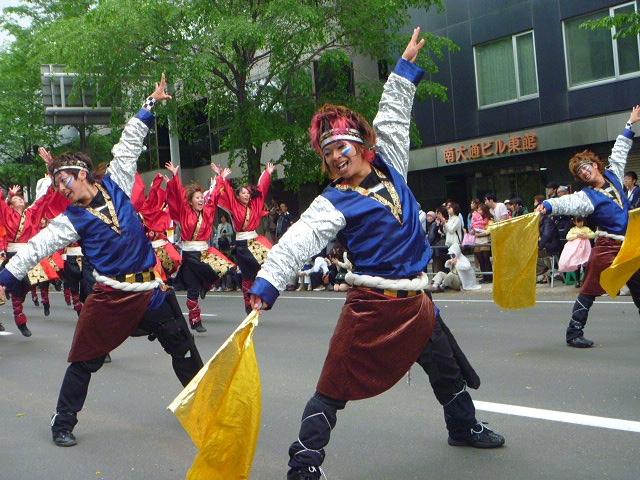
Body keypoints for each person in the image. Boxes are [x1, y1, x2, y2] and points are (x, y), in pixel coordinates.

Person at [247, 29, 504, 480]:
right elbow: (298, 240)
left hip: (417, 302)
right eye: (327, 152)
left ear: (361, 146)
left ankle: (463, 426)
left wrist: (403, 69)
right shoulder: (333, 201)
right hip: (371, 308)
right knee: (334, 387)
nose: (335, 157)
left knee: (445, 368)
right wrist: (267, 284)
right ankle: (303, 463)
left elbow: (394, 116)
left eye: (341, 147)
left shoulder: (391, 166)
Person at [0, 75, 204, 446]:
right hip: (110, 297)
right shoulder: (70, 220)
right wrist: (6, 278)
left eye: (64, 182)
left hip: (151, 290)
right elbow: (35, 247)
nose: (62, 190)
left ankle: (203, 406)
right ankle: (62, 423)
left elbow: (128, 145)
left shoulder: (117, 184)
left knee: (183, 347)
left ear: (82, 174)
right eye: (56, 186)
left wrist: (149, 104)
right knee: (84, 360)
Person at [536, 105, 640, 348]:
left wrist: (630, 123)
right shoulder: (586, 196)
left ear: (595, 165)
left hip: (629, 245)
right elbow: (567, 202)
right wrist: (548, 205)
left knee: (638, 283)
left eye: (586, 166)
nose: (584, 172)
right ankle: (573, 332)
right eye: (580, 171)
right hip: (607, 247)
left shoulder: (614, 174)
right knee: (591, 287)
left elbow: (620, 150)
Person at [165, 161, 235, 332]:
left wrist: (220, 177)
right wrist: (175, 176)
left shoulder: (208, 211)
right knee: (192, 290)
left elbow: (214, 195)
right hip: (189, 255)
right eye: (197, 198)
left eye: (201, 197)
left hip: (204, 253)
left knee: (226, 268)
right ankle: (196, 321)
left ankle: (206, 285)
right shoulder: (184, 211)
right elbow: (178, 195)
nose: (201, 200)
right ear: (190, 201)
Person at [214, 161, 275, 313]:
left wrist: (268, 173)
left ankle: (260, 298)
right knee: (247, 277)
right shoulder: (234, 205)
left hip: (254, 242)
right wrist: (221, 176)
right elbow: (226, 191)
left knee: (265, 267)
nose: (246, 195)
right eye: (243, 193)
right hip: (242, 245)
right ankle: (249, 305)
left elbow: (262, 188)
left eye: (248, 193)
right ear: (238, 195)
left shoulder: (255, 204)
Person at [560, 217, 596, 288]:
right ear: (574, 222)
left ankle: (585, 280)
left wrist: (587, 235)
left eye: (581, 222)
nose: (580, 223)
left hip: (585, 249)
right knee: (577, 265)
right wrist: (576, 236)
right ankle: (577, 280)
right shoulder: (573, 229)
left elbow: (593, 235)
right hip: (576, 250)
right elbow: (568, 237)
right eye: (578, 222)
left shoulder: (586, 229)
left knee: (585, 264)